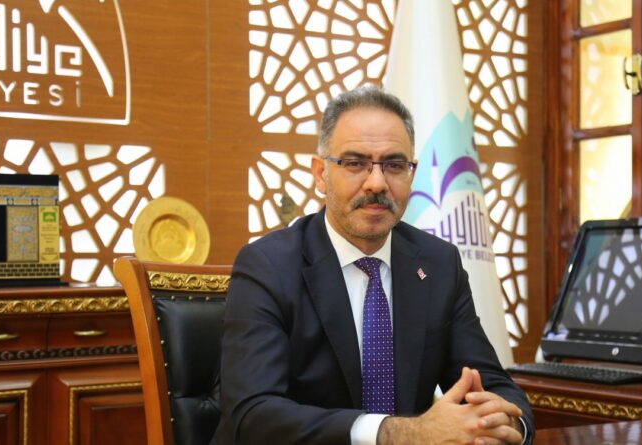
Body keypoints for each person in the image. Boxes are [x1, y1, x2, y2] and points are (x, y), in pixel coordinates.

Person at [210, 85, 533, 445]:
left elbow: (494, 385)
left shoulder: (439, 264)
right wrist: (398, 434)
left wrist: (504, 425)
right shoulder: (268, 266)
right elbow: (253, 414)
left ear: (411, 174)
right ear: (320, 174)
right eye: (355, 163)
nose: (377, 183)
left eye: (394, 165)